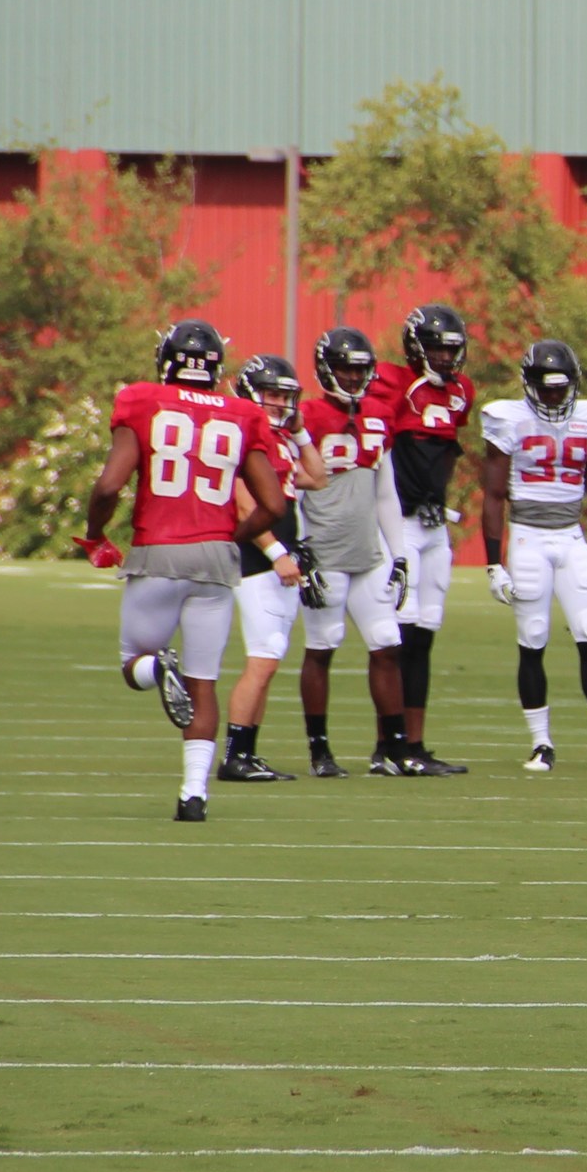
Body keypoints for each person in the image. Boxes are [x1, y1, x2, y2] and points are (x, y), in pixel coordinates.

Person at [80, 320, 296, 821]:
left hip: (159, 549)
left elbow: (110, 486)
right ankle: (193, 795)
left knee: (136, 664)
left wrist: (95, 534)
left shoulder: (142, 400)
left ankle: (160, 668)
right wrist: (228, 538)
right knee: (204, 683)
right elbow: (273, 504)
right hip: (216, 561)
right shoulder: (243, 413)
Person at [479, 339, 587, 776]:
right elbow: (494, 496)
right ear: (529, 385)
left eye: (560, 388)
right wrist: (494, 561)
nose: (553, 397)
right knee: (533, 639)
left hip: (572, 537)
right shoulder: (506, 419)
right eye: (545, 389)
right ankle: (541, 745)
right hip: (529, 538)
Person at [292, 325, 422, 777]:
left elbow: (386, 492)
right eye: (345, 369)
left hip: (367, 552)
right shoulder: (303, 414)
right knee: (323, 646)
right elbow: (289, 487)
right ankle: (319, 751)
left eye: (360, 370)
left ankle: (393, 748)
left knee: (387, 643)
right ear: (327, 369)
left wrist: (399, 554)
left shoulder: (379, 413)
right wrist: (297, 548)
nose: (352, 378)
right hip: (323, 552)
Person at [372, 303, 474, 773]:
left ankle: (414, 745)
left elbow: (441, 453)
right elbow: (382, 449)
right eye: (436, 348)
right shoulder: (394, 384)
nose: (446, 357)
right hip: (402, 525)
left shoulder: (460, 392)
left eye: (451, 349)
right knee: (401, 637)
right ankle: (389, 746)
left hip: (435, 528)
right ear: (415, 348)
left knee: (425, 636)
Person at [218, 353, 327, 783]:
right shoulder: (243, 436)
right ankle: (234, 756)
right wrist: (275, 551)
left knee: (269, 658)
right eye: (271, 394)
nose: (280, 403)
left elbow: (317, 477)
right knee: (261, 660)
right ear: (249, 393)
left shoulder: (276, 437)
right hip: (256, 559)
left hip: (277, 559)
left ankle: (247, 751)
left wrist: (299, 434)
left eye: (285, 396)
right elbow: (245, 501)